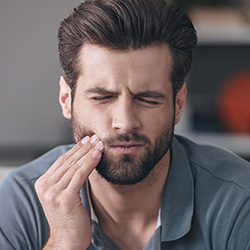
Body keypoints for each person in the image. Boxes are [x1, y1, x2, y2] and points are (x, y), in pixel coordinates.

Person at [1, 0, 250, 249]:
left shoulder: (239, 201)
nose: (125, 122)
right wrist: (63, 242)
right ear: (66, 100)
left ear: (179, 104)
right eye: (102, 98)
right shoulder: (21, 201)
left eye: (148, 99)